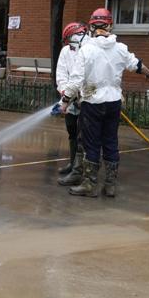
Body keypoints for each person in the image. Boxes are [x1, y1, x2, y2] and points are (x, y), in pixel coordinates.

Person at [60, 7, 149, 198]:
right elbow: (136, 64)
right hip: (113, 103)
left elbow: (76, 81)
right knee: (111, 142)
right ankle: (110, 185)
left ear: (92, 27)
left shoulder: (86, 50)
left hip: (93, 104)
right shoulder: (120, 49)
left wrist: (64, 102)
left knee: (92, 144)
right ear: (110, 25)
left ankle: (89, 185)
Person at [54, 22, 87, 186]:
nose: (69, 45)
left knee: (84, 137)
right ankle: (73, 163)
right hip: (69, 100)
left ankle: (80, 170)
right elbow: (61, 74)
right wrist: (64, 93)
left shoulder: (89, 51)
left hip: (86, 101)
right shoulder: (65, 52)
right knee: (72, 133)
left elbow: (85, 77)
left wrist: (77, 95)